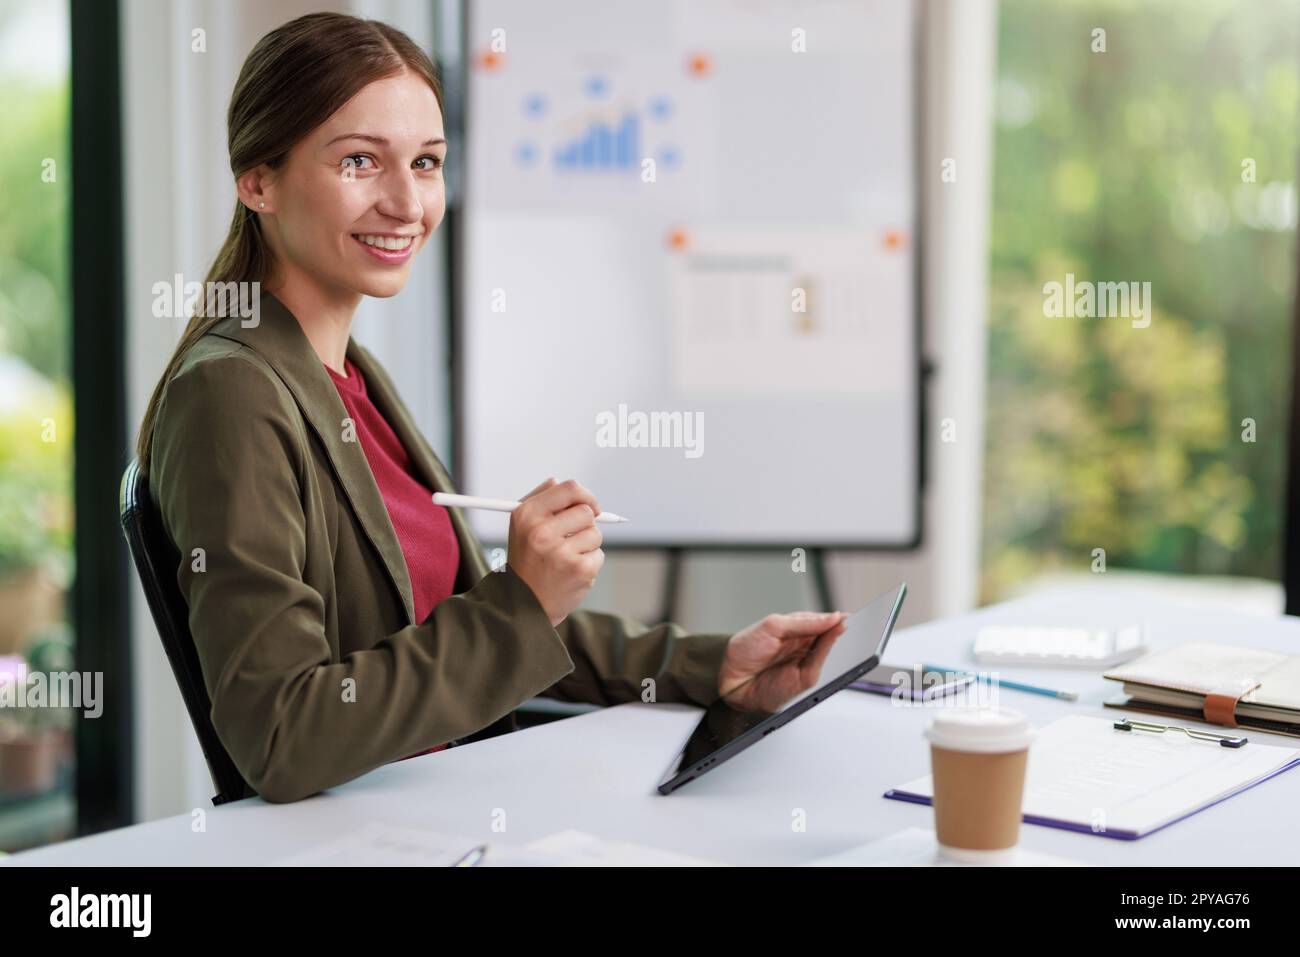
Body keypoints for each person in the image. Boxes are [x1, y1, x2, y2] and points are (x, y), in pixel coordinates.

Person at [134, 12, 847, 804]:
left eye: (428, 162)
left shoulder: (348, 375)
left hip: (451, 795)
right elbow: (278, 731)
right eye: (361, 161)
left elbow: (469, 614)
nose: (407, 202)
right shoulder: (230, 393)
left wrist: (712, 665)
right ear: (258, 180)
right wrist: (520, 602)